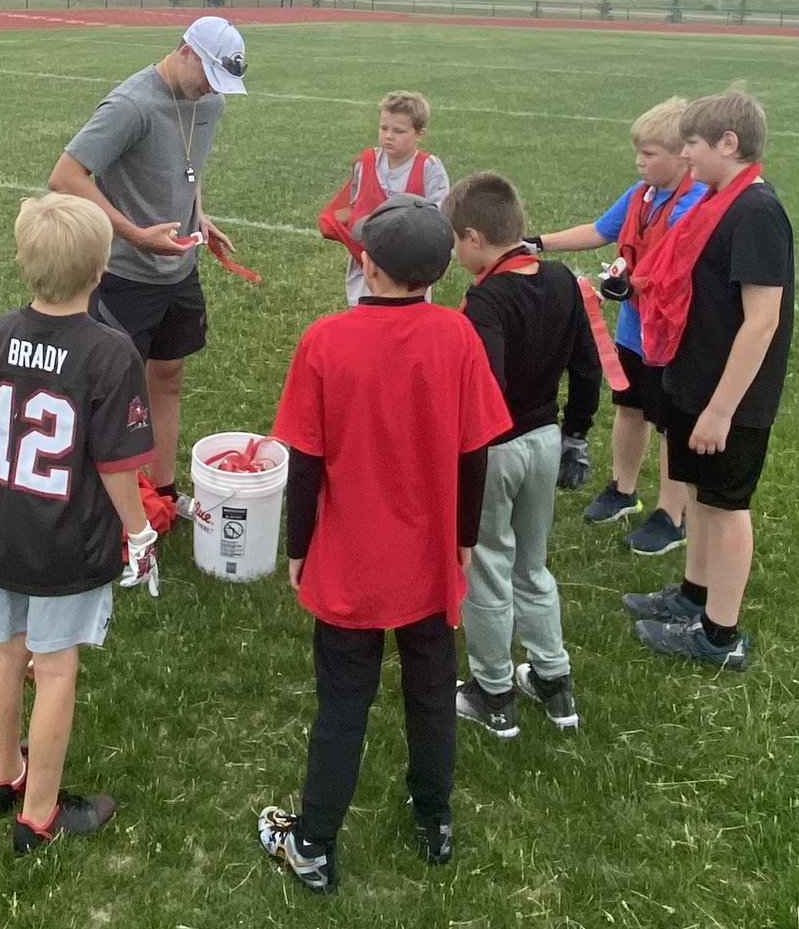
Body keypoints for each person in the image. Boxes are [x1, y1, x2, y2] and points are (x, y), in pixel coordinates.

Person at [257, 194, 511, 893]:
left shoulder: (325, 340)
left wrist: (298, 546)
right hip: (429, 563)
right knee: (430, 693)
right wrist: (463, 538)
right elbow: (475, 454)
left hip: (350, 562)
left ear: (366, 265)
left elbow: (305, 462)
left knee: (343, 703)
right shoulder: (457, 336)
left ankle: (313, 842)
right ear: (437, 272)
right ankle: (435, 818)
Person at [0, 193, 160, 853]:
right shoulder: (110, 352)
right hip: (68, 536)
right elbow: (118, 465)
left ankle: (4, 769)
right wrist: (141, 532)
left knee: (6, 650)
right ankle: (38, 814)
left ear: (24, 263)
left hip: (3, 529)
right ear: (99, 273)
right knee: (56, 667)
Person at [47, 15, 247, 517]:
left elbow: (189, 168)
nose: (209, 91)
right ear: (185, 51)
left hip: (178, 266)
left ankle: (160, 492)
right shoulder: (131, 106)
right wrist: (134, 234)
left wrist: (201, 216)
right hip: (125, 275)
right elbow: (66, 176)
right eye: (207, 76)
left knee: (170, 373)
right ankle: (99, 502)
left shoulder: (210, 102)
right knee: (113, 389)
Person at [623, 90, 793, 671]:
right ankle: (693, 595)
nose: (686, 155)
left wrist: (722, 409)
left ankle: (720, 636)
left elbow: (762, 319)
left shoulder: (757, 212)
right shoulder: (719, 202)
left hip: (732, 396)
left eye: (693, 144)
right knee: (697, 492)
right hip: (694, 378)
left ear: (729, 143)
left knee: (724, 504)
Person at [442, 173, 601, 738]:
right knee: (532, 566)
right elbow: (587, 365)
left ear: (475, 237)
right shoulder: (561, 280)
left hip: (497, 447)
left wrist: (466, 447)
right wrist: (576, 433)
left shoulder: (486, 299)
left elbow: (485, 384)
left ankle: (493, 691)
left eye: (454, 241)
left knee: (488, 566)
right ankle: (554, 681)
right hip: (546, 441)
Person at [526, 98, 706, 556]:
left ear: (683, 155)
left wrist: (633, 285)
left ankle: (672, 515)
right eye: (638, 152)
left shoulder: (695, 203)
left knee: (668, 425)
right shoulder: (640, 194)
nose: (639, 162)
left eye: (649, 154)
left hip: (671, 337)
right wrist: (538, 243)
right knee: (629, 409)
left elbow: (675, 267)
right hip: (634, 332)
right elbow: (602, 229)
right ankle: (623, 490)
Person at [319, 90, 451, 307]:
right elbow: (353, 203)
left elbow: (439, 217)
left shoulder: (429, 168)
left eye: (399, 131)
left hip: (409, 260)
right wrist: (334, 222)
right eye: (384, 128)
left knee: (408, 313)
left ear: (419, 134)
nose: (389, 136)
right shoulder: (367, 162)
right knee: (364, 312)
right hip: (368, 257)